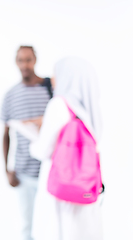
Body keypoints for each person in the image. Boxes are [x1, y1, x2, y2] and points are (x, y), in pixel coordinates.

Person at [29, 56, 103, 240]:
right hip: (84, 191)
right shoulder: (89, 110)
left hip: (61, 195)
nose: (53, 80)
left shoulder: (59, 105)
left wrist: (33, 138)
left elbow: (42, 150)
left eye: (56, 74)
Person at [0, 46, 52, 240]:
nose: (25, 65)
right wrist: (7, 169)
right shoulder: (11, 95)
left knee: (51, 225)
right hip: (24, 173)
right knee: (27, 227)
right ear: (16, 62)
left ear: (35, 60)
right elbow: (6, 134)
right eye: (21, 60)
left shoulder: (50, 89)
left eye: (28, 60)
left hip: (49, 169)